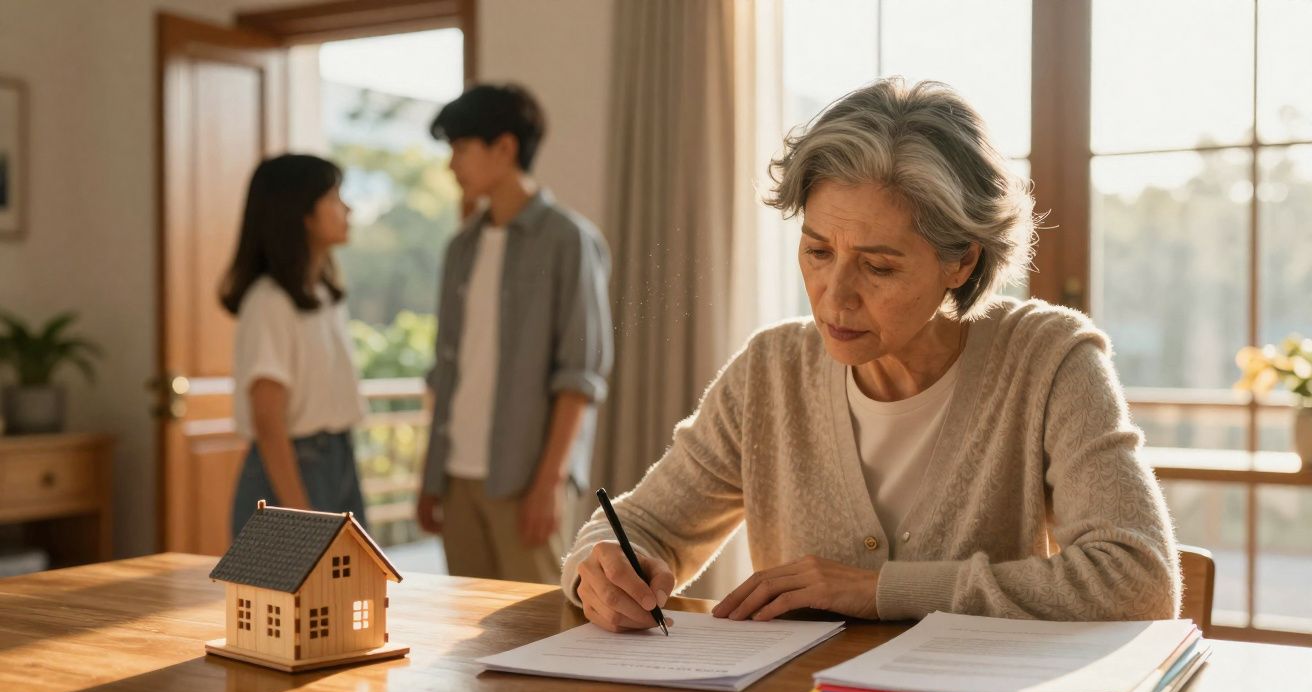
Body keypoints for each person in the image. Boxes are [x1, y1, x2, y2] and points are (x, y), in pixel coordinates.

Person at [564, 78, 1181, 631]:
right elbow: (641, 527)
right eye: (817, 252)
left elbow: (1137, 579)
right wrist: (601, 571)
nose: (835, 297)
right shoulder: (771, 370)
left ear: (961, 260)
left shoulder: (1050, 359)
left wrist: (879, 591)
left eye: (878, 266)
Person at [417, 84, 613, 584]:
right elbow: (446, 370)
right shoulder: (460, 248)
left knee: (538, 632)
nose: (451, 165)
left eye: (460, 148)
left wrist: (549, 484)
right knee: (468, 640)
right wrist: (431, 475)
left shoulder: (569, 241)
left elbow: (580, 374)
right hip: (457, 480)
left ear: (504, 148)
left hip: (526, 480)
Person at [221, 154, 368, 538]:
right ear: (301, 213)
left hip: (337, 459)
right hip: (293, 471)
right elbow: (268, 420)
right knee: (293, 596)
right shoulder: (270, 302)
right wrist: (300, 513)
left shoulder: (322, 295)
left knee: (347, 593)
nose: (347, 209)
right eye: (335, 198)